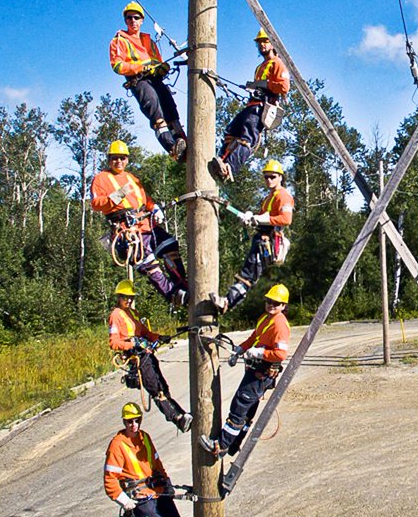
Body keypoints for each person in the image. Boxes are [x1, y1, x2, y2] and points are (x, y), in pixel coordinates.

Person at [90, 140, 188, 306]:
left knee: (169, 245)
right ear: (109, 159)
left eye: (122, 158)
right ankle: (173, 295)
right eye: (115, 158)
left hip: (146, 224)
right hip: (126, 229)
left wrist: (154, 208)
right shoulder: (101, 179)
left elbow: (145, 199)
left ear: (127, 159)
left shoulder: (132, 178)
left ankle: (182, 284)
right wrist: (114, 197)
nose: (119, 161)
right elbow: (95, 204)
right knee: (149, 265)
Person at [104, 402, 195, 517]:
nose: (134, 425)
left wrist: (167, 483)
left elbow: (157, 463)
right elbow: (110, 480)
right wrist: (124, 501)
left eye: (137, 420)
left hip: (158, 492)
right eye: (130, 421)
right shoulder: (117, 445)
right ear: (124, 422)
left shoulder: (144, 437)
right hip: (139, 499)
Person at [200, 284, 291, 457]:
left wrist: (259, 352)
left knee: (240, 406)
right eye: (269, 301)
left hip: (262, 373)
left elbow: (280, 354)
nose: (271, 305)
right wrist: (239, 350)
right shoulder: (265, 318)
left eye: (276, 303)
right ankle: (234, 444)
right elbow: (254, 338)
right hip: (255, 368)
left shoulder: (280, 325)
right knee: (248, 410)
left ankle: (221, 446)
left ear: (283, 306)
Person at [210, 160, 294, 314]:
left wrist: (262, 219)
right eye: (266, 177)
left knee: (249, 275)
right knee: (247, 271)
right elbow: (261, 218)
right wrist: (251, 218)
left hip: (269, 241)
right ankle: (227, 301)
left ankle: (228, 302)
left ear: (280, 177)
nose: (269, 180)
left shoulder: (284, 196)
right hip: (261, 238)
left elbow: (286, 219)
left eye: (272, 177)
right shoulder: (269, 197)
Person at [109, 2, 188, 161]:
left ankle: (182, 141)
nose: (133, 21)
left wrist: (161, 68)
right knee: (154, 107)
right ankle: (171, 147)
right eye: (129, 18)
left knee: (170, 107)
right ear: (125, 21)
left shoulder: (149, 41)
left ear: (141, 20)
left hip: (155, 78)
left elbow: (157, 61)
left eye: (136, 17)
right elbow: (117, 65)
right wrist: (139, 68)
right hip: (138, 80)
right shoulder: (119, 41)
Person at [109, 280, 192, 432]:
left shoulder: (133, 313)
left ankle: (182, 415)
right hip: (137, 359)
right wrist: (132, 345)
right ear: (119, 297)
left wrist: (158, 337)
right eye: (125, 297)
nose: (129, 300)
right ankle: (177, 419)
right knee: (156, 389)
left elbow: (146, 333)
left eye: (131, 298)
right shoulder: (116, 315)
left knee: (162, 387)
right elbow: (114, 342)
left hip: (146, 355)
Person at [209, 29, 291, 182]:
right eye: (259, 42)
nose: (262, 45)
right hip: (251, 105)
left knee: (247, 138)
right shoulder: (260, 67)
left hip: (262, 106)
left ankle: (230, 168)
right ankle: (221, 161)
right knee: (231, 131)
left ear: (273, 43)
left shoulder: (278, 63)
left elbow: (284, 87)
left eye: (265, 41)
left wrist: (265, 84)